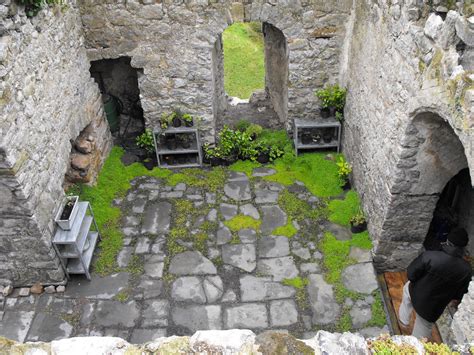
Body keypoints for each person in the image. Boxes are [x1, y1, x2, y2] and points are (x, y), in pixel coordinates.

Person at [398, 227, 472, 339]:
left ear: (448, 241)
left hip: (415, 292)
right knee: (421, 336)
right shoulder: (466, 270)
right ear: (463, 247)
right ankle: (414, 347)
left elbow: (411, 274)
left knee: (406, 292)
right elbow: (459, 294)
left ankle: (403, 323)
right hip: (433, 308)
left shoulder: (429, 256)